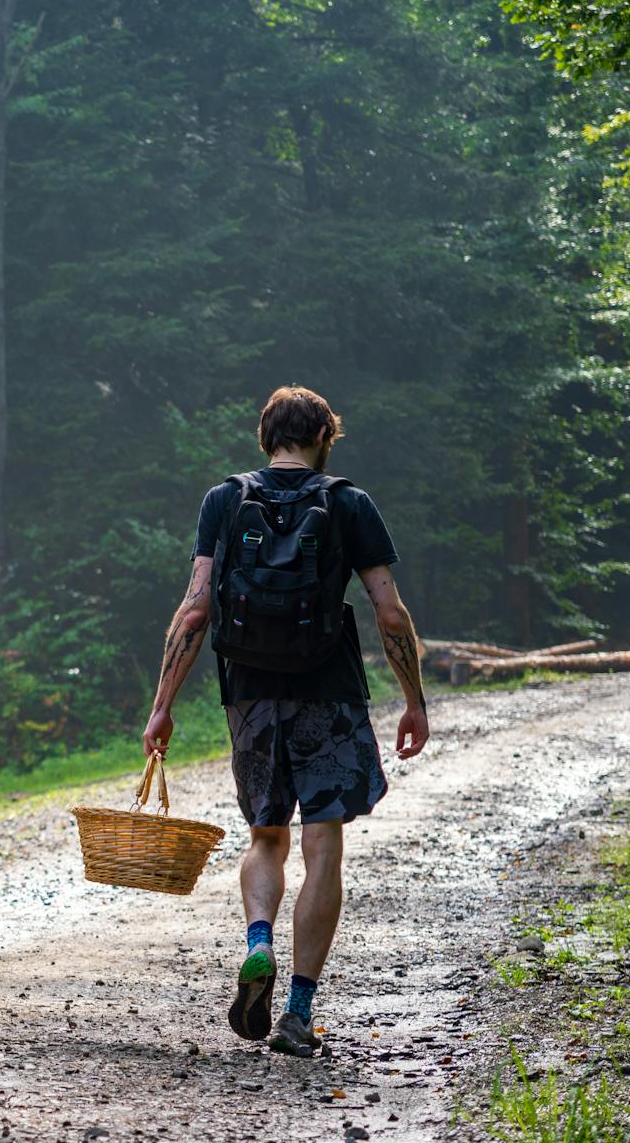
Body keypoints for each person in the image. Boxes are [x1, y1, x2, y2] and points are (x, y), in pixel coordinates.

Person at [139, 385, 429, 1057]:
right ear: (325, 437)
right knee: (322, 846)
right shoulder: (349, 503)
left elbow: (192, 612)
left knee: (266, 837)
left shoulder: (224, 499)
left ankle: (258, 942)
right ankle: (297, 1012)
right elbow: (390, 612)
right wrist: (413, 698)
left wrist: (162, 706)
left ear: (265, 437)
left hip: (250, 693)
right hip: (329, 692)